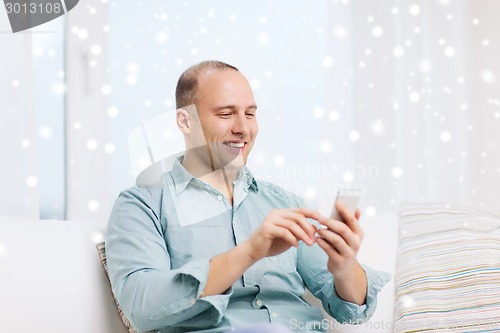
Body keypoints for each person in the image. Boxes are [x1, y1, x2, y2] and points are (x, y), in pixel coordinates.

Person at [106, 60, 390, 333]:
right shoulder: (142, 204)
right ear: (185, 121)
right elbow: (142, 308)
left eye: (250, 114)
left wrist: (344, 268)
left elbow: (351, 310)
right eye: (226, 114)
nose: (243, 128)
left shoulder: (284, 203)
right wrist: (251, 251)